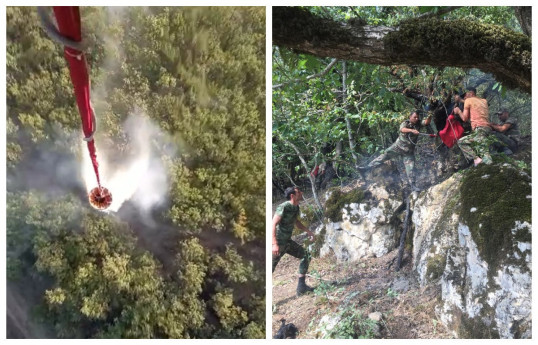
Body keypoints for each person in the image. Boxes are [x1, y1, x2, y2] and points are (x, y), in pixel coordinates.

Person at [359, 110, 432, 192]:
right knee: (384, 155)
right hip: (397, 147)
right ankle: (367, 168)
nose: (416, 119)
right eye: (414, 117)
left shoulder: (418, 123)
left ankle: (413, 186)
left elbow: (426, 122)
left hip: (408, 152)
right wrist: (411, 130)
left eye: (417, 117)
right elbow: (402, 129)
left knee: (411, 169)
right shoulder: (405, 123)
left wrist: (430, 115)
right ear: (410, 117)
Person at [272, 187, 316, 296]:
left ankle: (301, 287)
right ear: (292, 196)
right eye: (298, 192)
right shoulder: (284, 207)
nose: (301, 193)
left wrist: (308, 231)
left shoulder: (296, 207)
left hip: (287, 242)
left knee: (306, 255)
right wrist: (274, 244)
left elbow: (296, 222)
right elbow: (273, 224)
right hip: (278, 243)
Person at [452, 87, 493, 166]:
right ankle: (478, 160)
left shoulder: (468, 100)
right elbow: (474, 103)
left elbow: (464, 118)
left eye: (465, 95)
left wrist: (458, 111)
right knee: (464, 142)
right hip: (487, 128)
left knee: (484, 153)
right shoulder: (484, 101)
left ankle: (489, 167)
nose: (464, 97)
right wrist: (461, 100)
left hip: (479, 129)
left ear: (471, 93)